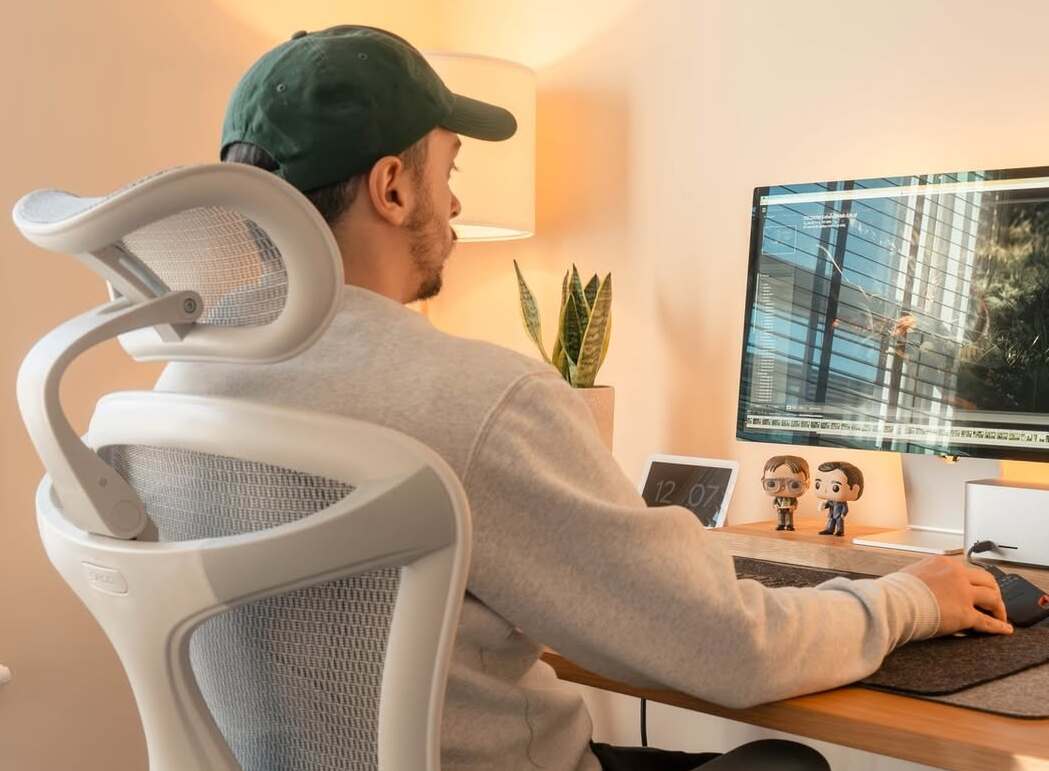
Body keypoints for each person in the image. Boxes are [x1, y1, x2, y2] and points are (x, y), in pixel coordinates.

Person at [156, 25, 1013, 771]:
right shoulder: (477, 398)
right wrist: (910, 595)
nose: (454, 204)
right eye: (447, 170)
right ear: (392, 187)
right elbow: (729, 648)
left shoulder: (181, 383)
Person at [761, 455, 810, 531]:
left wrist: (793, 506)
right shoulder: (778, 498)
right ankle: (781, 524)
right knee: (780, 516)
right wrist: (776, 506)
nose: (783, 488)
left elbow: (795, 502)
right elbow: (775, 502)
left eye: (794, 485)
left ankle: (789, 525)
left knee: (789, 516)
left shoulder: (792, 499)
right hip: (780, 508)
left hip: (789, 509)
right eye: (772, 484)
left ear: (807, 483)